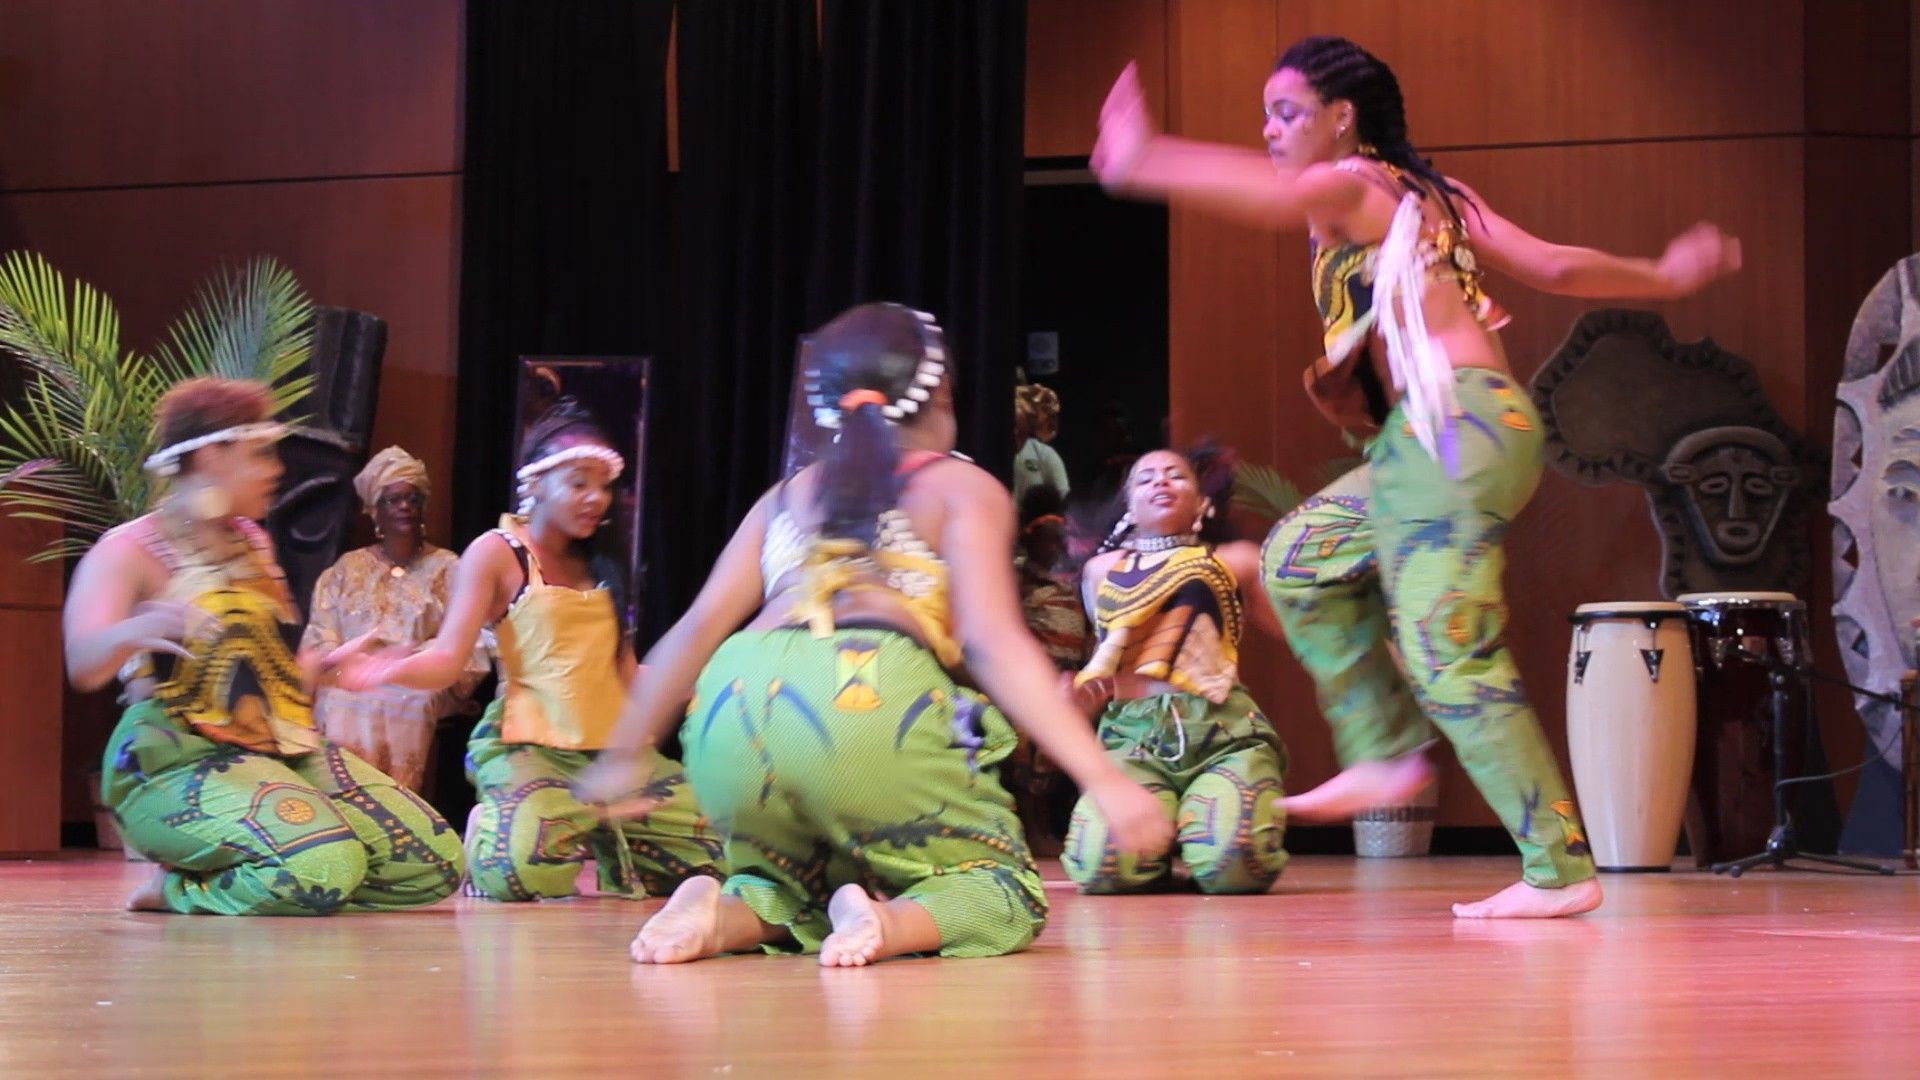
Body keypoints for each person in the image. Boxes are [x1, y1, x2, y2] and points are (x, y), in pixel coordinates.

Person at [1091, 36, 1742, 917]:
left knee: (1446, 652)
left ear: (1341, 118)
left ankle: (1557, 869)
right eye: (1266, 117)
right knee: (1298, 556)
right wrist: (1661, 274)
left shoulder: (1355, 183)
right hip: (1442, 437)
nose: (1271, 131)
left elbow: (1270, 195)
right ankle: (1386, 751)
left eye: (1286, 113)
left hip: (1455, 427)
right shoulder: (1437, 195)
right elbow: (1548, 263)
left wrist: (1146, 158)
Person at [574, 302, 1172, 966]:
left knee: (790, 874)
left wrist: (623, 754)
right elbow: (991, 640)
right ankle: (889, 924)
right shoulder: (960, 486)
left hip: (729, 703)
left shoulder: (785, 496)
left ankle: (724, 913)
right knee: (1002, 888)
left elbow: (693, 631)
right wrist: (1103, 778)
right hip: (863, 692)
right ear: (941, 393)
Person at [66, 377, 463, 914]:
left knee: (433, 862)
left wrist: (325, 669)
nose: (276, 469)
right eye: (260, 454)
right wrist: (138, 626)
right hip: (170, 759)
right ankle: (180, 889)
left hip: (274, 747)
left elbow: (271, 674)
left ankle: (290, 873)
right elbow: (84, 665)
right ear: (210, 455)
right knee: (325, 864)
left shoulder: (253, 542)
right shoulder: (128, 550)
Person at [333, 400, 720, 901]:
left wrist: (705, 687)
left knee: (723, 848)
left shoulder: (604, 563)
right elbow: (448, 658)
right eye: (579, 483)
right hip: (531, 747)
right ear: (536, 483)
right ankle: (513, 822)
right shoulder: (498, 552)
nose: (596, 498)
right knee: (518, 873)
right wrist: (387, 669)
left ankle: (595, 829)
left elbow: (623, 673)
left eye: (603, 486)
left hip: (611, 755)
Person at [1062, 447, 1289, 894]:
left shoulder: (1236, 559)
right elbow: (1109, 650)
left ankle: (1207, 834)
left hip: (1223, 733)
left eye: (1175, 476)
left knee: (1237, 863)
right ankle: (1164, 841)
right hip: (1134, 738)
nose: (1160, 483)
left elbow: (1300, 633)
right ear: (1129, 505)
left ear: (1202, 500)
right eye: (1146, 479)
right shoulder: (1099, 572)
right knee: (1103, 867)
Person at [302, 447, 486, 793]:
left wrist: (406, 662)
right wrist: (346, 664)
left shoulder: (449, 568)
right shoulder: (346, 569)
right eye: (393, 499)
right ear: (375, 510)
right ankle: (338, 798)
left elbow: (467, 640)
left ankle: (394, 805)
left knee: (405, 698)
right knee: (343, 696)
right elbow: (321, 631)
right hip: (351, 676)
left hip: (418, 680)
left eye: (412, 498)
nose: (404, 506)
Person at [1013, 382, 1071, 508]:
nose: (1015, 435)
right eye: (1013, 427)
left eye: (1021, 432)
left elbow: (1062, 501)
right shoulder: (983, 454)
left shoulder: (1044, 454)